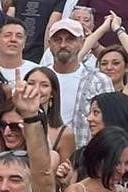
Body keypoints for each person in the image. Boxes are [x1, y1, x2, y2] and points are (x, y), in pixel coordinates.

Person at [46, 19, 112, 149]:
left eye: (70, 39)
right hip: (44, 153)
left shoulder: (99, 80)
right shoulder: (38, 78)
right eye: (57, 40)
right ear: (49, 44)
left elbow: (109, 124)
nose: (63, 45)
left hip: (84, 156)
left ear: (82, 42)